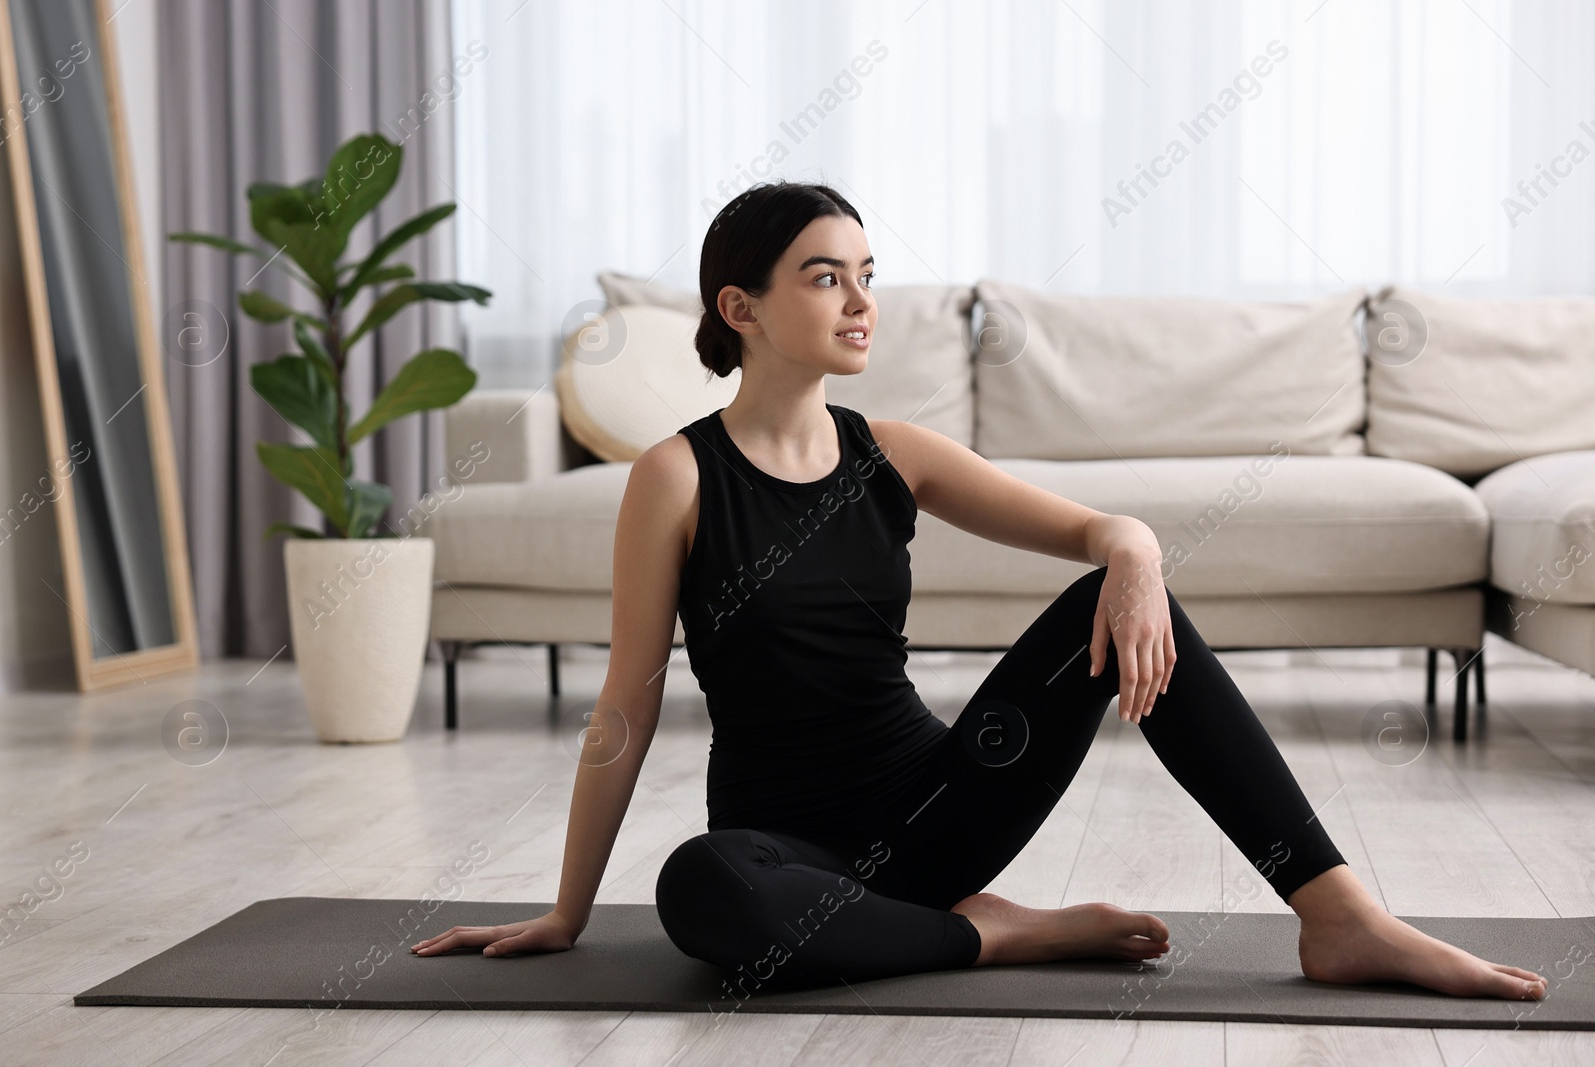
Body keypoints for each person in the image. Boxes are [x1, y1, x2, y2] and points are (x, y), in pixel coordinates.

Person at [411, 180, 1547, 1004]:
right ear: (740, 307)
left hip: (940, 804)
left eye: (866, 276)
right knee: (700, 889)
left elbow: (1097, 530)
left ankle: (1336, 911)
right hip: (780, 847)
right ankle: (999, 937)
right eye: (823, 276)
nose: (860, 301)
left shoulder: (892, 452)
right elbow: (627, 700)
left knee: (1117, 595)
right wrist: (566, 911)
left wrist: (1137, 552)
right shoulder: (676, 474)